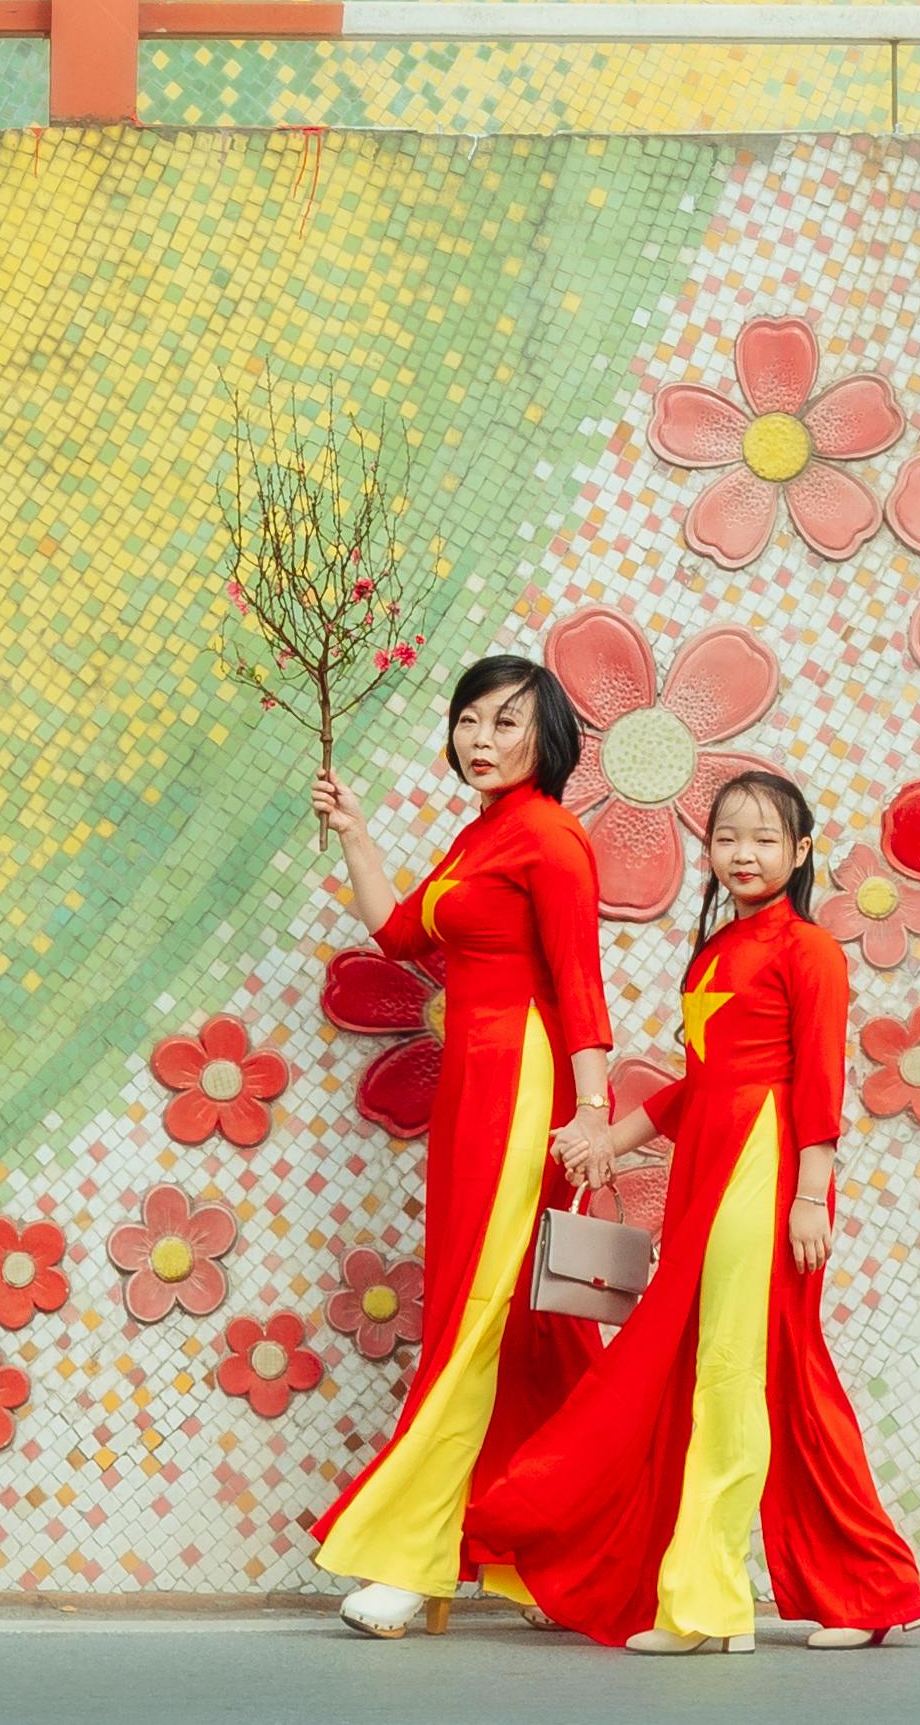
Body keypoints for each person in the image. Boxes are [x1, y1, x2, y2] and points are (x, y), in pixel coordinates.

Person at [466, 769, 920, 1654]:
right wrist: (612, 1139)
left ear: (800, 852)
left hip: (763, 1178)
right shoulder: (717, 951)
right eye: (727, 838)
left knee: (727, 1372)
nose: (743, 853)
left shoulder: (811, 950)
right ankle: (869, 1590)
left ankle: (707, 1603)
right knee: (768, 1376)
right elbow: (697, 1086)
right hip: (705, 1176)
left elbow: (818, 1087)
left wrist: (806, 1198)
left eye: (763, 838)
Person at [306, 656, 619, 1639]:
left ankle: (409, 1558)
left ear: (547, 738)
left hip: (522, 1087)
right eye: (468, 720)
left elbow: (581, 986)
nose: (480, 738)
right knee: (506, 1319)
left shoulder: (551, 839)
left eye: (505, 722)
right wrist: (355, 831)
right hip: (467, 1096)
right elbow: (400, 933)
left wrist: (594, 1118)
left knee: (474, 1317)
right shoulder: (477, 836)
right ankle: (559, 1555)